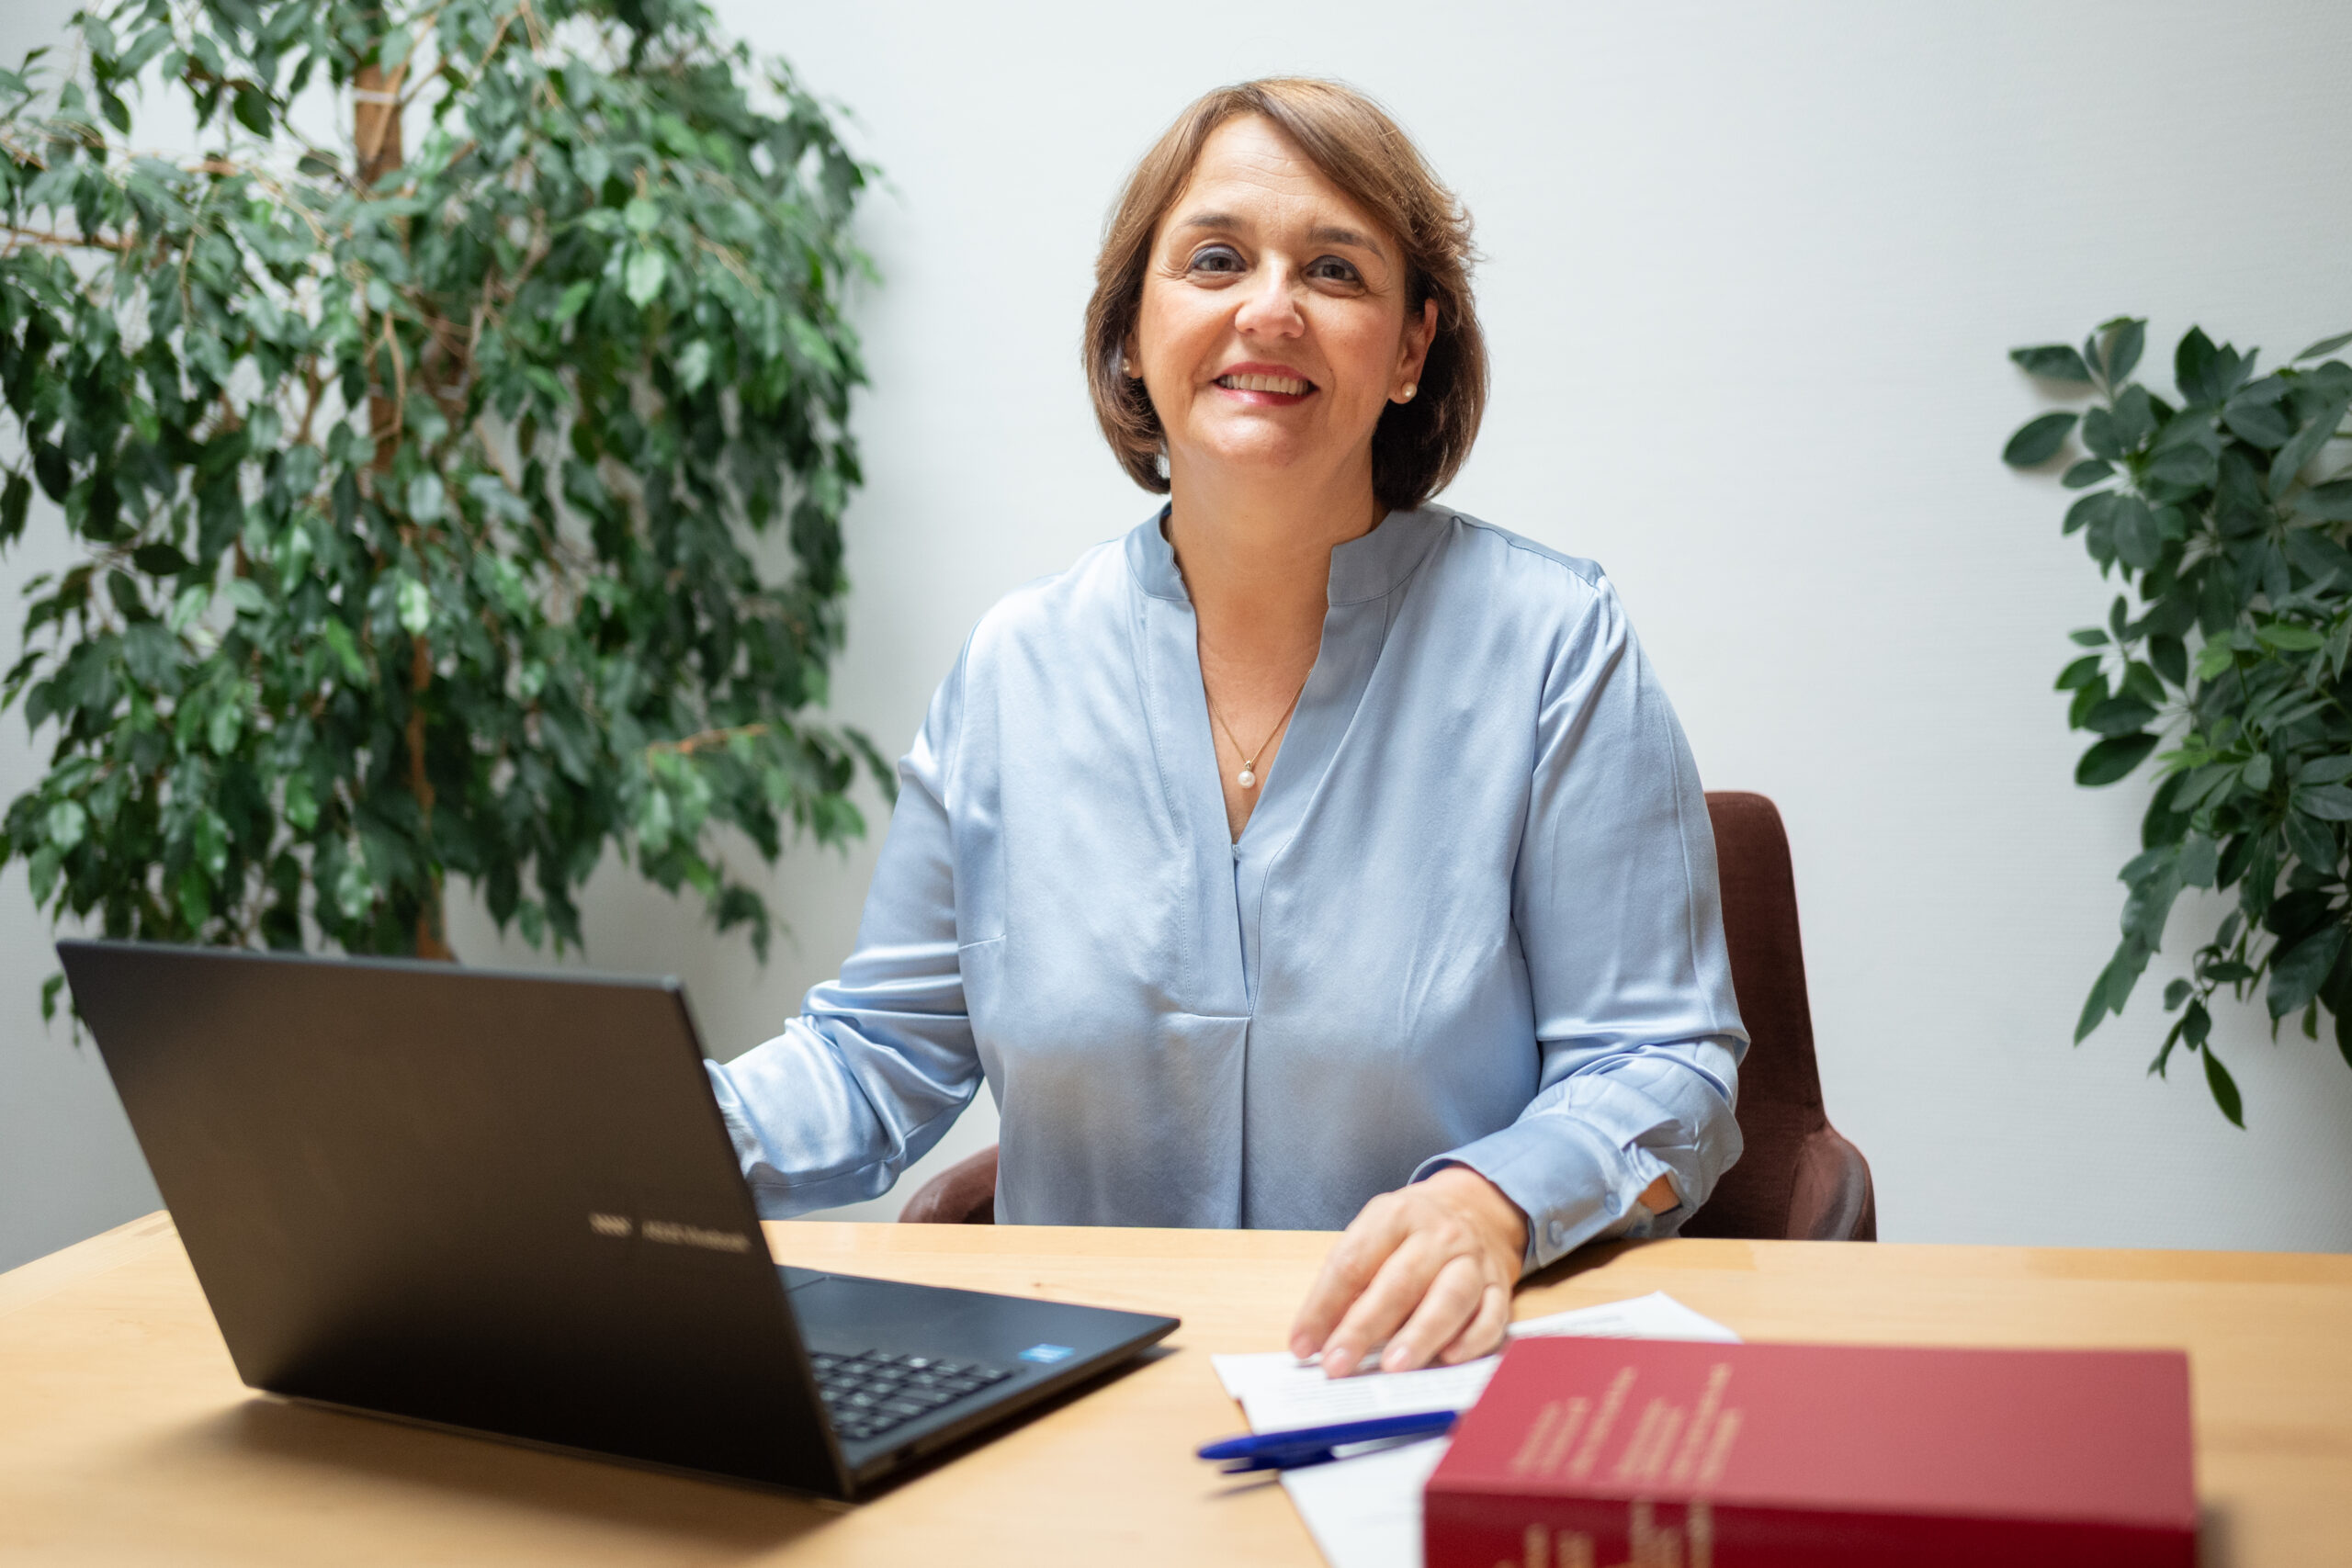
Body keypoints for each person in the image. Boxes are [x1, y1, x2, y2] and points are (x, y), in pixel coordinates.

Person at [707, 77, 1746, 1379]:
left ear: (1412, 348)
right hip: (1069, 1398)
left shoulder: (1555, 644)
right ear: (1132, 335)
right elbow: (877, 1060)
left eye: (1334, 269)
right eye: (1212, 260)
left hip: (1422, 1385)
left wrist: (1492, 1204)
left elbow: (1665, 1068)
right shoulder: (1014, 670)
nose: (1269, 307)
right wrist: (620, 1128)